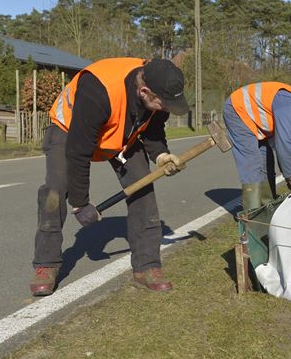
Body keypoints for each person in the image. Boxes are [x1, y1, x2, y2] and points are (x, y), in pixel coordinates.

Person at [30, 58, 189, 296]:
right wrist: (80, 203)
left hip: (120, 136)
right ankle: (46, 263)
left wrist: (162, 156)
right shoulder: (98, 90)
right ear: (144, 91)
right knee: (55, 189)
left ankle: (147, 266)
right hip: (69, 131)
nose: (166, 108)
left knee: (142, 188)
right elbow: (78, 151)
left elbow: (153, 128)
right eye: (163, 104)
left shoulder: (158, 86)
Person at [223, 82, 291, 211]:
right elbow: (284, 147)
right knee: (252, 162)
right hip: (237, 110)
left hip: (255, 122)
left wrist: (290, 177)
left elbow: (281, 144)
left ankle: (267, 205)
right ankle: (252, 214)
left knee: (267, 160)